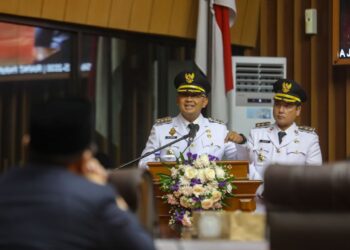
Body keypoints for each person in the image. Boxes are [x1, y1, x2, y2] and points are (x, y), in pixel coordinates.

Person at [0, 98, 155, 250]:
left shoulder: (4, 185)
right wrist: (110, 192)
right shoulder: (96, 198)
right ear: (85, 156)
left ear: (27, 145)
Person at [138, 70, 247, 169]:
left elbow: (242, 159)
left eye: (195, 95)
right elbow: (144, 163)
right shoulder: (161, 130)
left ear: (204, 102)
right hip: (170, 189)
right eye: (184, 95)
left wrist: (241, 141)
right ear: (177, 99)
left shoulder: (219, 130)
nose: (189, 99)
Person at [226, 78, 323, 183]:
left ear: (298, 110)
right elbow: (244, 165)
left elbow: (314, 177)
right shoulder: (257, 134)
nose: (281, 110)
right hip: (261, 196)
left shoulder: (309, 139)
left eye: (287, 106)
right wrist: (240, 141)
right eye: (277, 104)